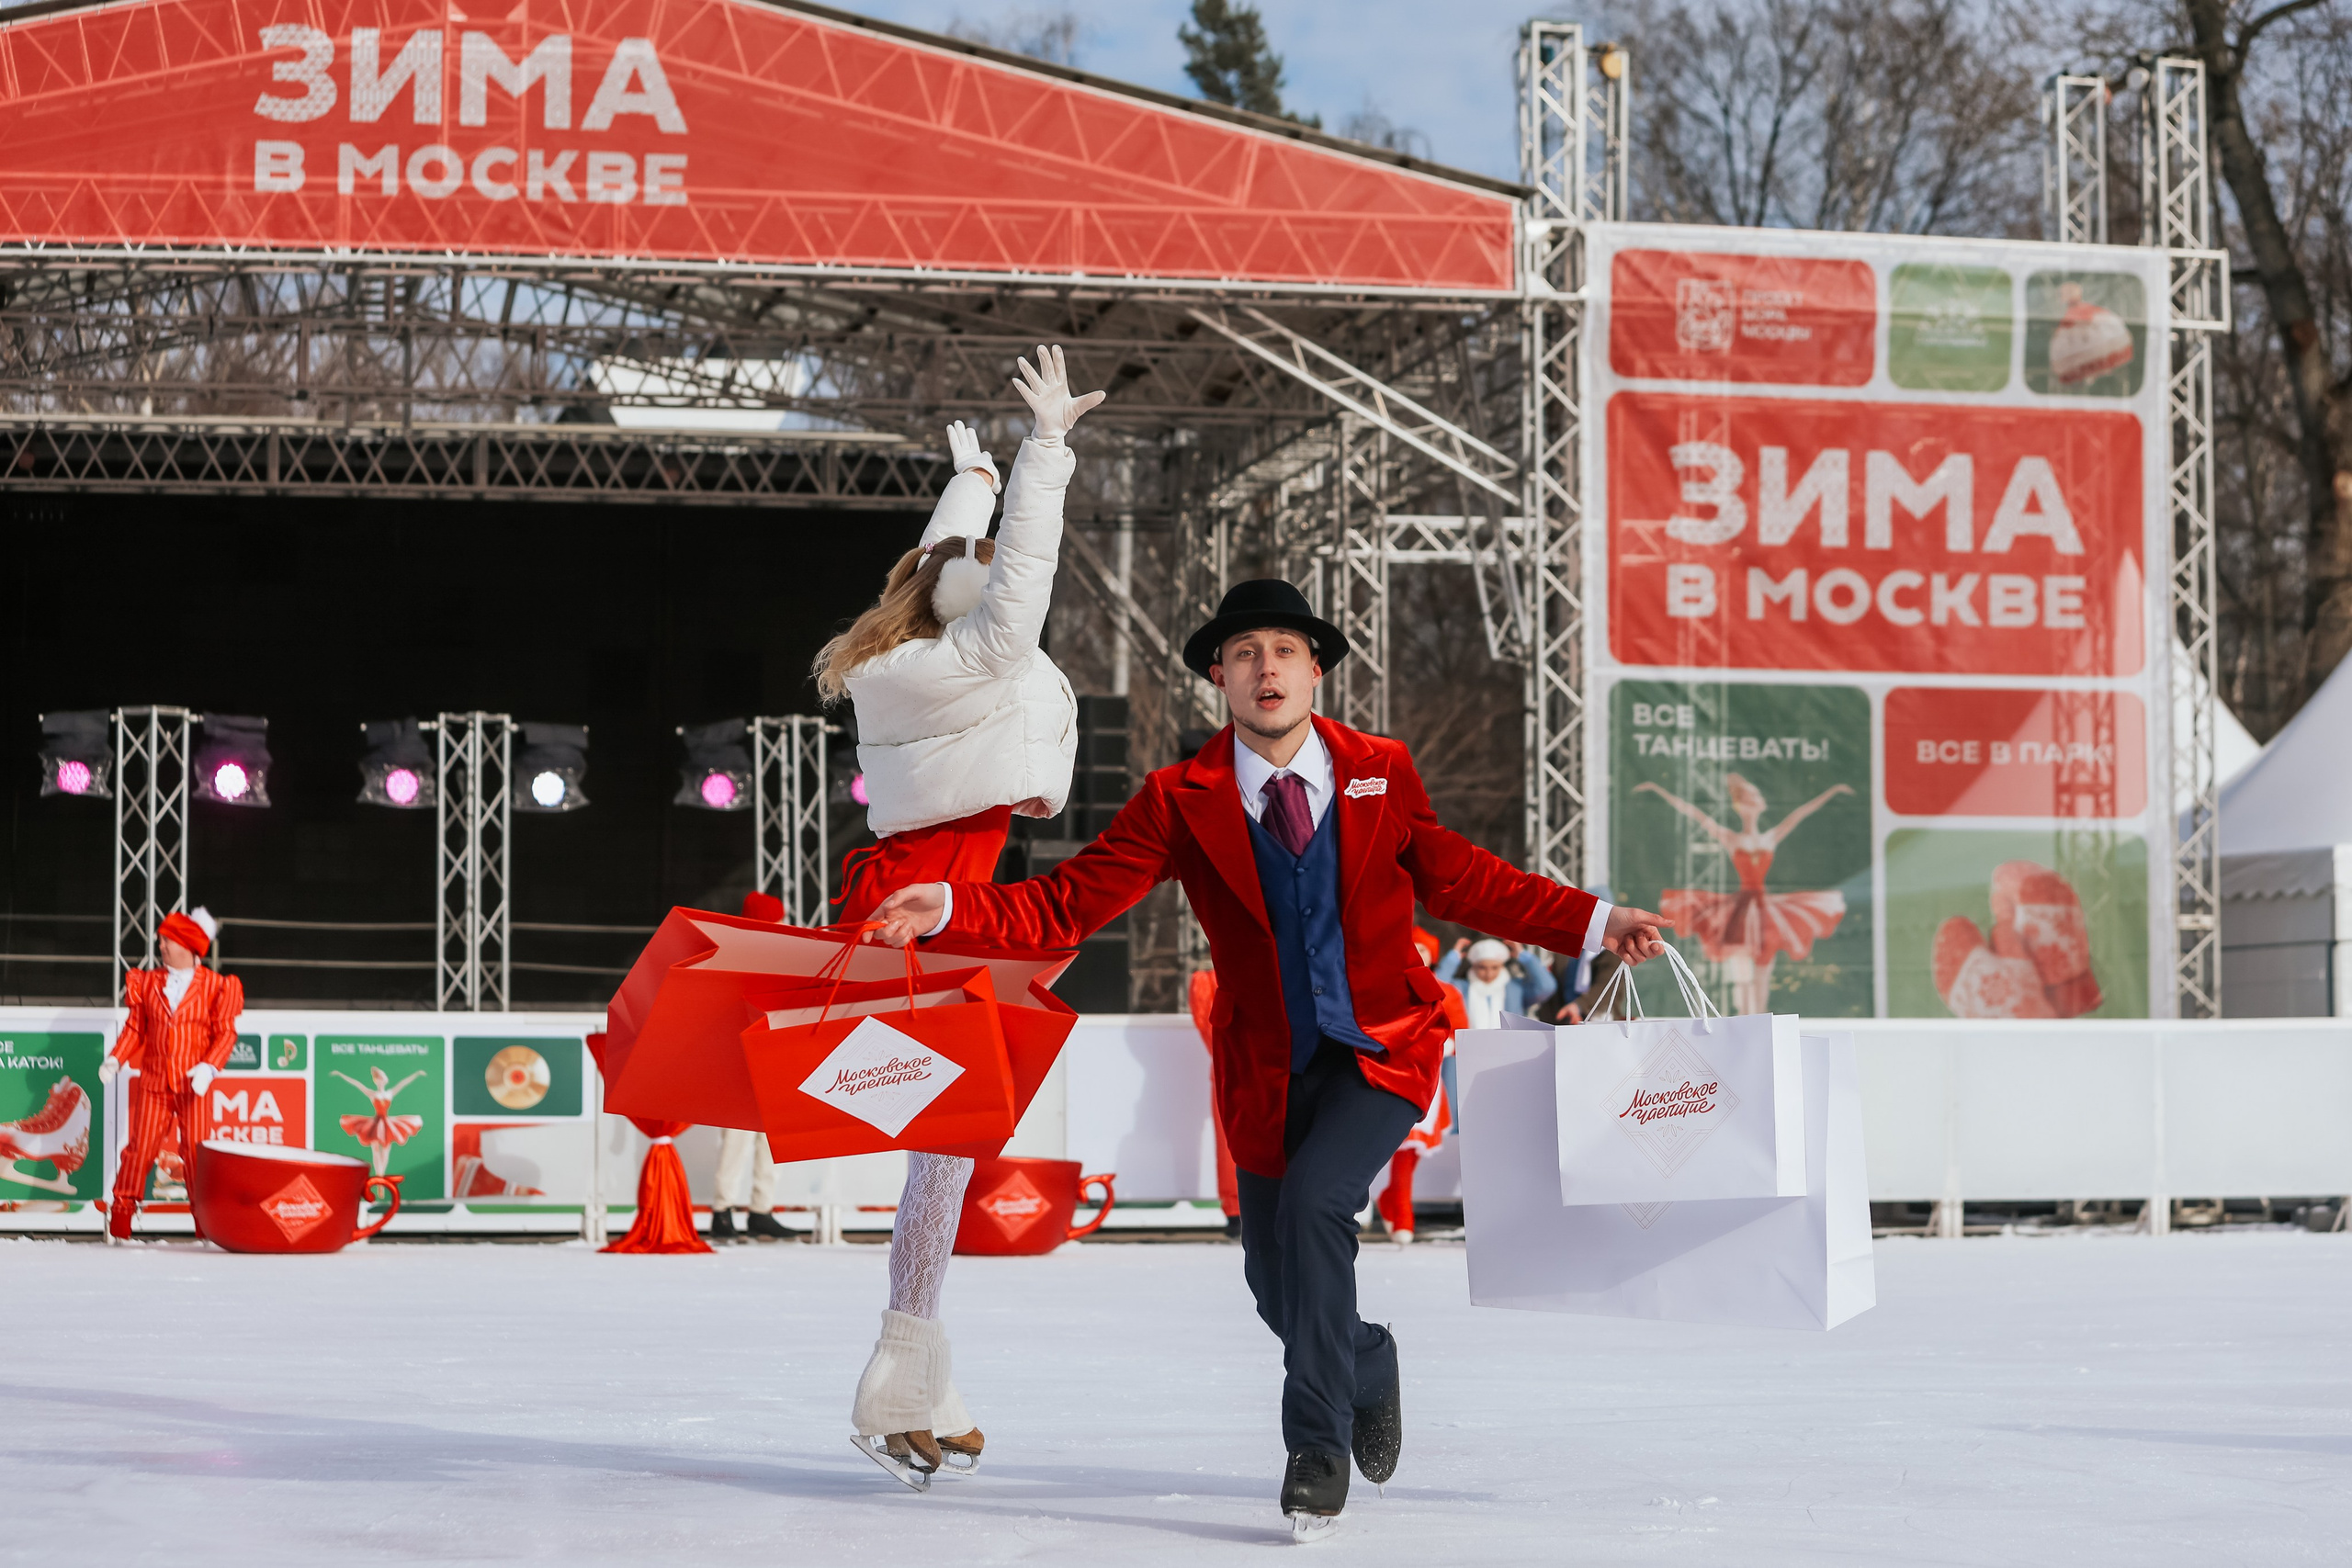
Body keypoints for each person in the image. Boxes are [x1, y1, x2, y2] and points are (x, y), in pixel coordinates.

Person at [871, 579, 1670, 1536]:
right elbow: (1067, 904)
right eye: (1245, 653)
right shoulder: (1180, 799)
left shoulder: (1379, 771)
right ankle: (1365, 1357)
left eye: (1285, 651)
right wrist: (954, 904)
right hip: (1265, 1069)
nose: (1266, 669)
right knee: (1270, 1283)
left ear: (1316, 670)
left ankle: (1315, 1449)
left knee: (1320, 1204)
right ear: (1219, 675)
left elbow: (1465, 879)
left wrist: (1594, 921)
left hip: (1382, 1050)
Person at [813, 344, 1105, 1488]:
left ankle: (917, 1366)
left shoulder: (927, 647)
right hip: (934, 907)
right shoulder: (955, 660)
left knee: (952, 1151)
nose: (988, 583)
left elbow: (955, 560)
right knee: (948, 1147)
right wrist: (1044, 456)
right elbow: (1006, 580)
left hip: (951, 896)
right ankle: (902, 1368)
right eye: (967, 573)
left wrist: (975, 484)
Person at [1634, 773, 1850, 1015]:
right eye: (1749, 798)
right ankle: (1746, 1022)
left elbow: (1800, 813)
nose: (1754, 803)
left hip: (1764, 911)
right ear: (1741, 805)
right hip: (1741, 912)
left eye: (1755, 798)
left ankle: (1762, 1021)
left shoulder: (1770, 837)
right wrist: (1659, 790)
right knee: (1742, 978)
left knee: (1762, 975)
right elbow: (1695, 814)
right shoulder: (1731, 838)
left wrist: (1833, 791)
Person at [99, 907, 242, 1241]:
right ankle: (120, 1218)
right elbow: (136, 1027)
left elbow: (225, 1033)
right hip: (154, 1082)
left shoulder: (216, 986)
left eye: (167, 940)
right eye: (161, 940)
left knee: (195, 1154)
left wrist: (208, 1067)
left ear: (187, 945)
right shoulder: (148, 982)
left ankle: (204, 1225)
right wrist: (116, 1059)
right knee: (140, 1149)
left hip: (194, 1086)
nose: (161, 946)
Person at [1372, 929, 1467, 1246]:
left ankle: (1396, 1205)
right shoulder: (1384, 987)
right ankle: (1397, 1208)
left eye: (1421, 950)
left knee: (1410, 1145)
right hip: (1386, 1072)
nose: (1416, 955)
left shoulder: (1446, 992)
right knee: (1391, 1142)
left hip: (1426, 1076)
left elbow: (1460, 1035)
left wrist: (1433, 1046)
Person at [713, 892, 790, 1243]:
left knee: (768, 1138)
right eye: (780, 921)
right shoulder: (737, 959)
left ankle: (761, 1210)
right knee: (737, 1137)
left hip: (771, 1057)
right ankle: (722, 1210)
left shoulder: (777, 959)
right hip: (742, 1059)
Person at [1185, 969, 1245, 1237]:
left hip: (1248, 1066)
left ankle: (1238, 1211)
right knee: (1229, 1142)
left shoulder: (1208, 980)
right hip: (1233, 1067)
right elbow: (1208, 1027)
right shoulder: (1207, 980)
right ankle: (1236, 1211)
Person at [1434, 936, 1557, 1029]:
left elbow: (1546, 986)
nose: (1489, 974)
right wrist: (1452, 959)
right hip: (1470, 1052)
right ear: (1474, 966)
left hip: (1508, 1052)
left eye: (1494, 967)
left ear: (1502, 966)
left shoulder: (1514, 989)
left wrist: (1524, 956)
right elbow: (1437, 988)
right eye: (1482, 967)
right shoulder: (1461, 988)